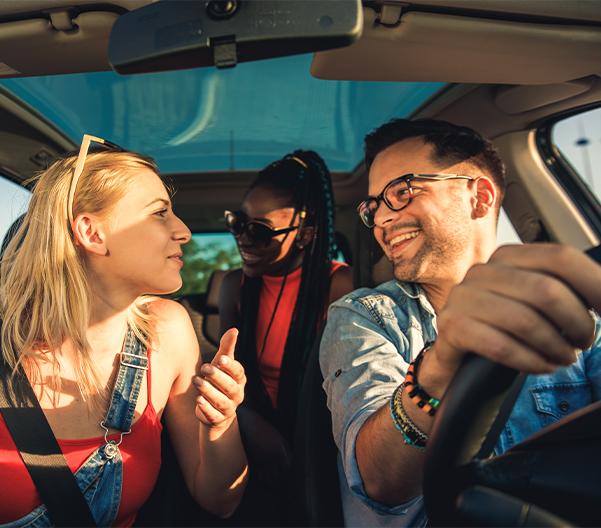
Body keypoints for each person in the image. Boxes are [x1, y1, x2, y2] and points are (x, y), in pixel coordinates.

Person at [319, 118, 601, 526]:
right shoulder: (364, 317)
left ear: (480, 198)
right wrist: (439, 366)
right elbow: (379, 481)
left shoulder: (576, 318)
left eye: (402, 191)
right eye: (374, 205)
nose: (381, 220)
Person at [0, 136, 248, 526]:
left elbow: (221, 501)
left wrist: (222, 423)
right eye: (160, 213)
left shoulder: (169, 332)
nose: (183, 231)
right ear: (93, 233)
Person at [219, 150, 354, 525]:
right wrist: (249, 421)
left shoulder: (337, 284)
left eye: (260, 231)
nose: (244, 239)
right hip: (248, 431)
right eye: (238, 222)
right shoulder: (235, 286)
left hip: (317, 439)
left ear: (304, 235)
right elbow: (227, 375)